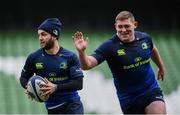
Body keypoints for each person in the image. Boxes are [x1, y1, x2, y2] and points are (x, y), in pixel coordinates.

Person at [73, 11, 166, 114]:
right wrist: (81, 52)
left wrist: (160, 66)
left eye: (127, 26)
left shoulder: (145, 38)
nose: (123, 30)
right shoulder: (109, 46)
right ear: (115, 26)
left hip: (151, 90)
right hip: (129, 99)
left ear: (135, 25)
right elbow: (87, 65)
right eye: (120, 27)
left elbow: (152, 49)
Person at [19, 18, 84, 114]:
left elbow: (79, 84)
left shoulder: (70, 56)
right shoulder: (34, 57)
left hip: (72, 105)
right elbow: (23, 77)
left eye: (44, 34)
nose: (40, 38)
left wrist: (56, 87)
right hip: (52, 108)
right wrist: (28, 86)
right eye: (39, 35)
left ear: (54, 35)